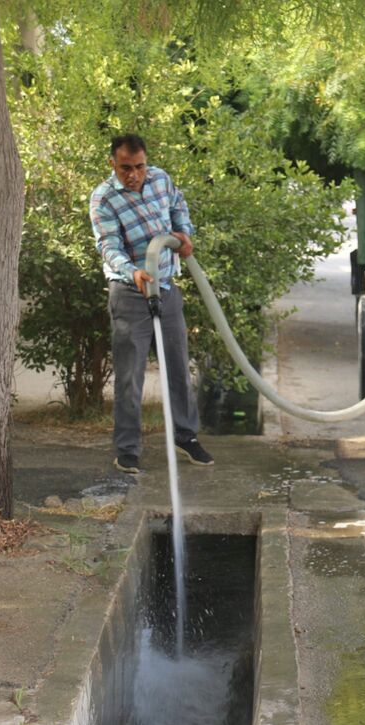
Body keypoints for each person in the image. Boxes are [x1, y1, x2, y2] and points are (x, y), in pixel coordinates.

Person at [90, 134, 213, 473]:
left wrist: (183, 233)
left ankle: (185, 437)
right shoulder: (104, 199)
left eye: (139, 166)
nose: (134, 175)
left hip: (167, 287)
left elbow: (177, 206)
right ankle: (128, 449)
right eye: (126, 168)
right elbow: (109, 247)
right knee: (130, 375)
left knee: (178, 364)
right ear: (113, 164)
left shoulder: (160, 179)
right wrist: (134, 274)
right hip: (130, 292)